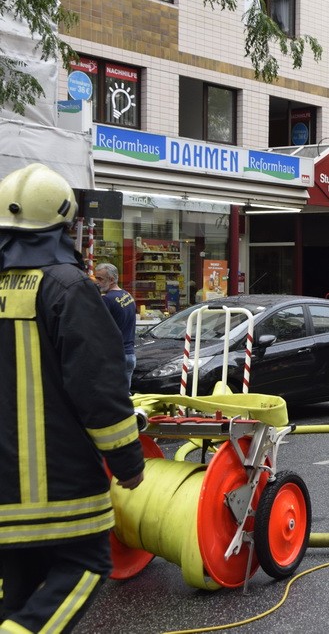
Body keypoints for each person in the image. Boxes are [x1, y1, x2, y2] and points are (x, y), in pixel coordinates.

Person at [0, 164, 145, 633]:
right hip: (57, 490)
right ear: (65, 226)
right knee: (86, 565)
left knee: (18, 589)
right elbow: (99, 387)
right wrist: (128, 462)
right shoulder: (66, 286)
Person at [94, 262, 137, 388]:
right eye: (96, 278)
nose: (97, 282)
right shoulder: (127, 295)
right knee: (124, 397)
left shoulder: (107, 299)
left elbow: (99, 327)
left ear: (112, 279)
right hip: (129, 354)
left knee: (110, 396)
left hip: (115, 355)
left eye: (100, 278)